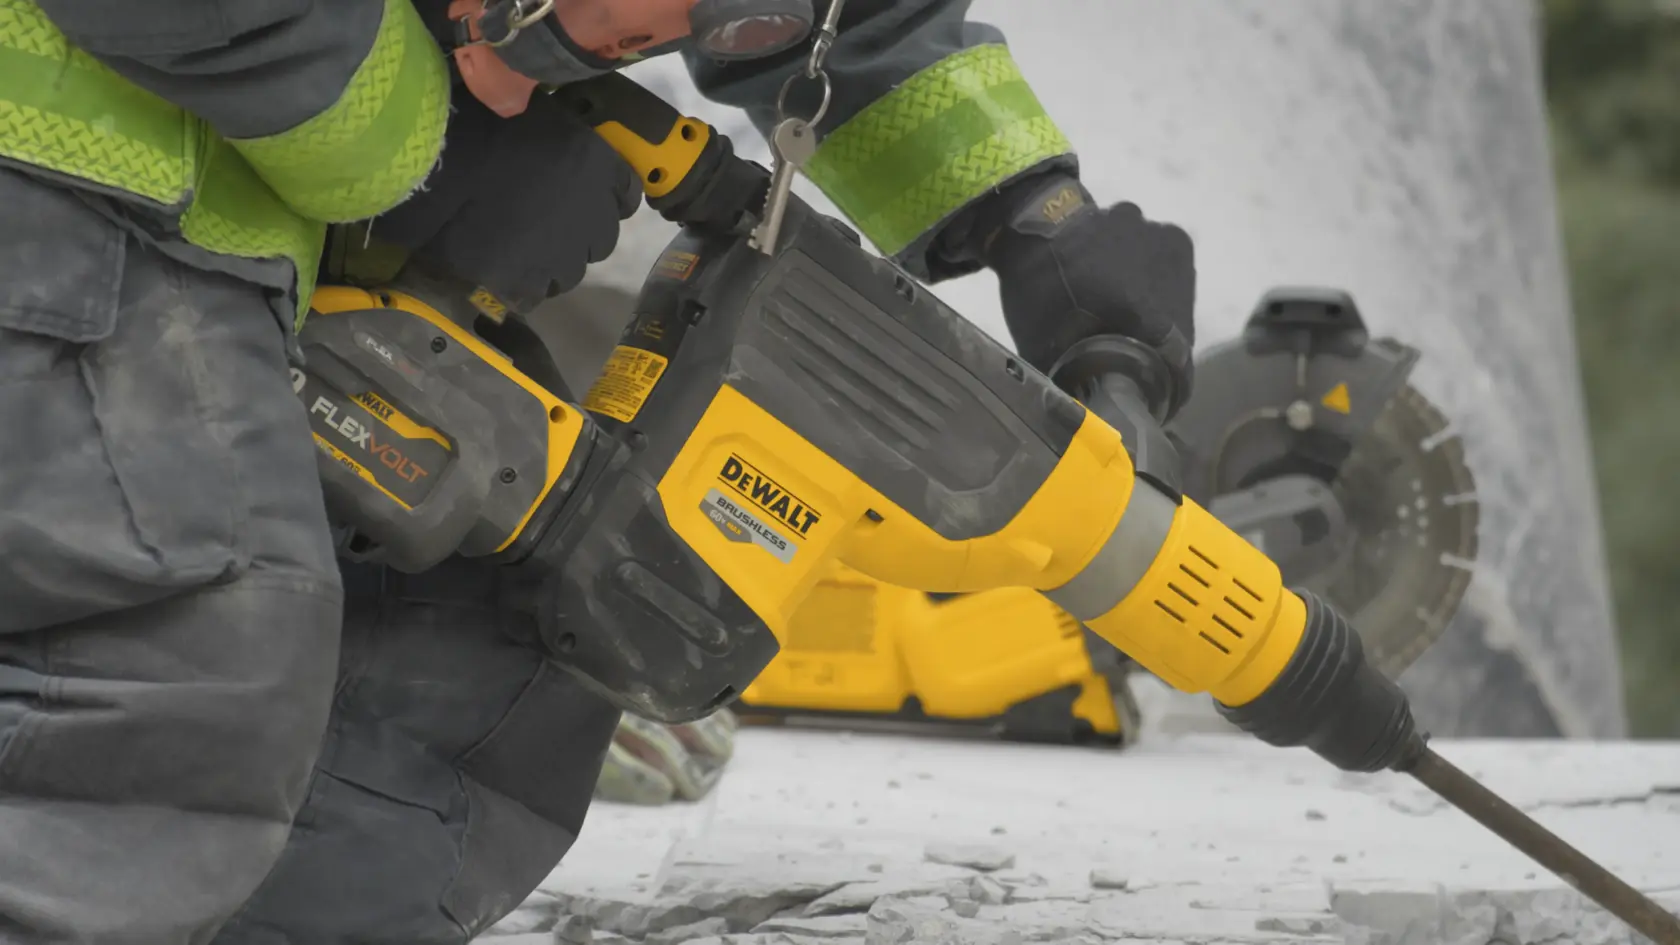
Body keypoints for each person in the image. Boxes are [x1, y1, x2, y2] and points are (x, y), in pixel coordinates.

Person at [0, 1, 1195, 942]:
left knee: (502, 637)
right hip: (67, 173)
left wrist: (1030, 214)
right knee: (170, 682)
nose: (555, 74)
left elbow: (822, 21)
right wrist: (412, 141)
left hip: (242, 214)